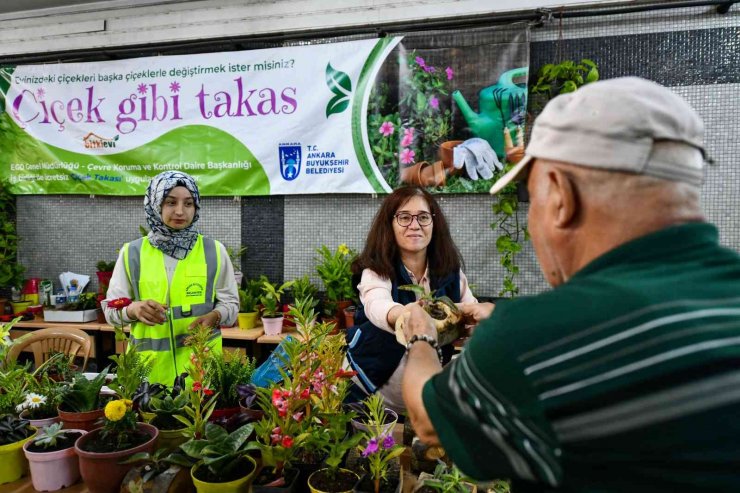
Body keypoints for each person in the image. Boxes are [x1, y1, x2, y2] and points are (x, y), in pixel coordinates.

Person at [401, 77, 740, 492]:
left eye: (533, 198)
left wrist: (421, 338)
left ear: (561, 196)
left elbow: (428, 421)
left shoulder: (531, 339)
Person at [344, 186, 478, 413]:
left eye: (423, 217)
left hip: (423, 397)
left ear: (434, 224)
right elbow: (376, 305)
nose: (414, 225)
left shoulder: (450, 272)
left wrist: (474, 325)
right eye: (404, 217)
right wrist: (407, 315)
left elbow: (471, 311)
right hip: (369, 392)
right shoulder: (376, 270)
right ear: (390, 224)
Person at [103, 171, 239, 385]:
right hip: (148, 376)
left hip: (202, 374)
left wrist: (216, 316)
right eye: (170, 202)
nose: (180, 211)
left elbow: (231, 305)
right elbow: (110, 310)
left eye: (188, 203)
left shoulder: (214, 251)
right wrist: (134, 309)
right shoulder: (132, 253)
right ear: (156, 205)